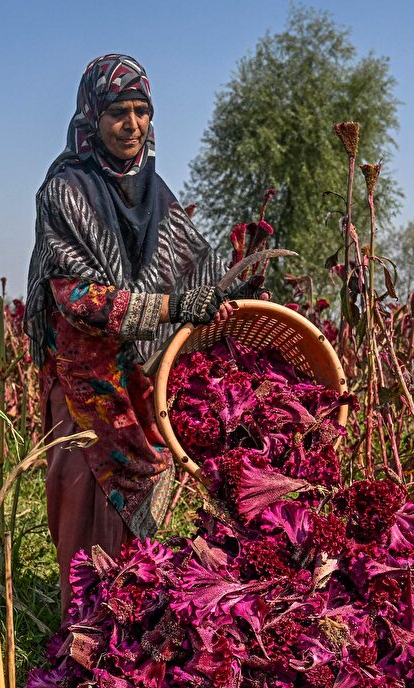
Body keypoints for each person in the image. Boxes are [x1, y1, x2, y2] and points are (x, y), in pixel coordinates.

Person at [24, 54, 264, 617]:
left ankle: (127, 631)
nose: (131, 125)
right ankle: (80, 634)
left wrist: (227, 290)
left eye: (141, 112)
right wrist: (171, 305)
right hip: (86, 385)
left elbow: (196, 273)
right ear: (92, 117)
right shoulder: (65, 192)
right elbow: (74, 298)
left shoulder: (158, 196)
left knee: (143, 511)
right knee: (84, 501)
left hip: (142, 381)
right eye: (118, 113)